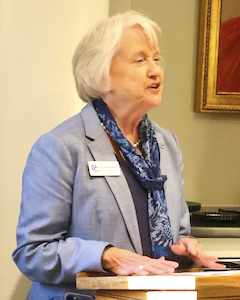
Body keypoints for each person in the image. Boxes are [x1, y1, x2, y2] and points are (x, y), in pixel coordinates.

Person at [12, 11, 225, 300]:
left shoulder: (166, 143)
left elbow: (179, 231)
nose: (155, 70)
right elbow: (33, 252)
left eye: (156, 59)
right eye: (140, 60)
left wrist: (184, 247)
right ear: (101, 73)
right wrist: (105, 256)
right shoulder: (61, 147)